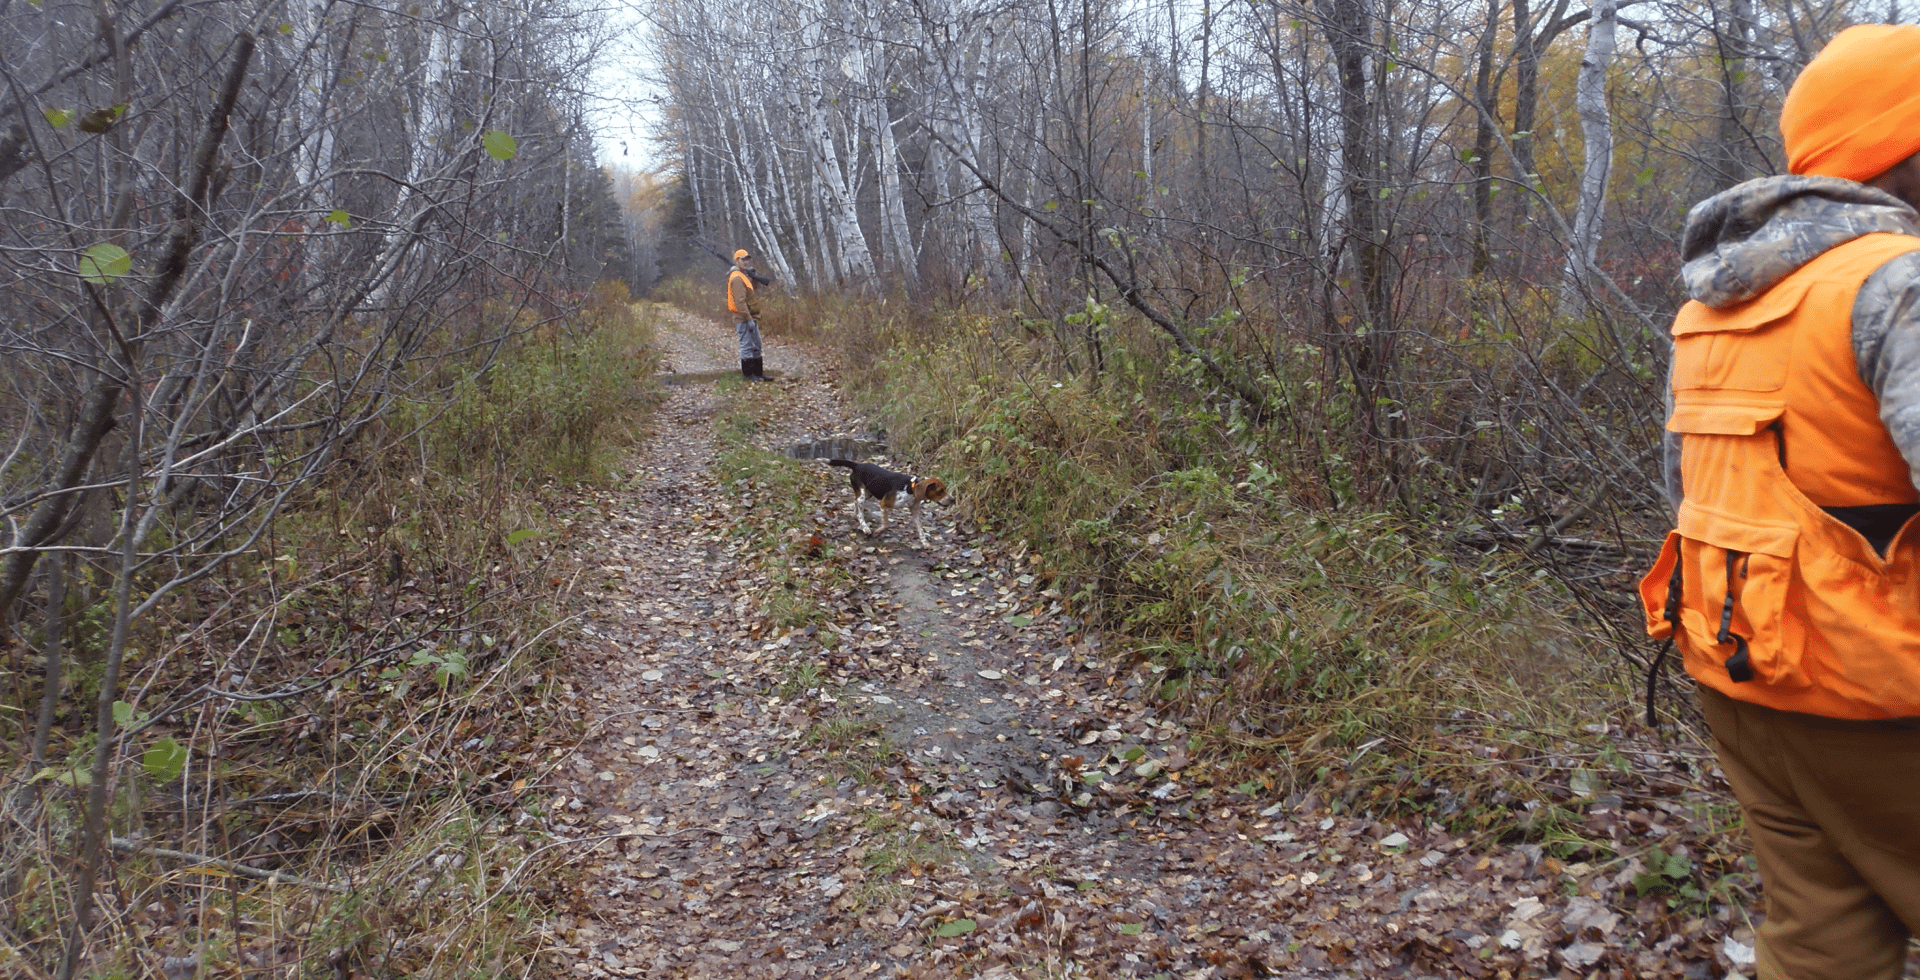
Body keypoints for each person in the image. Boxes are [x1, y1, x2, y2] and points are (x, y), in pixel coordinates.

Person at [1639, 24, 1920, 980]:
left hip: (1748, 680)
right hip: (1882, 700)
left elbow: (1685, 492)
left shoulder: (1715, 303)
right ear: (1903, 150)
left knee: (1823, 941)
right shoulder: (1897, 284)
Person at [727, 249, 772, 382]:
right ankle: (748, 376)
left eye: (747, 259)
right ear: (737, 261)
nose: (746, 262)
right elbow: (739, 302)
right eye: (743, 259)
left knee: (756, 346)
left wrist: (754, 279)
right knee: (746, 347)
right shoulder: (736, 278)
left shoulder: (743, 276)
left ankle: (758, 374)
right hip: (743, 318)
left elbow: (750, 294)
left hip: (750, 317)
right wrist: (748, 319)